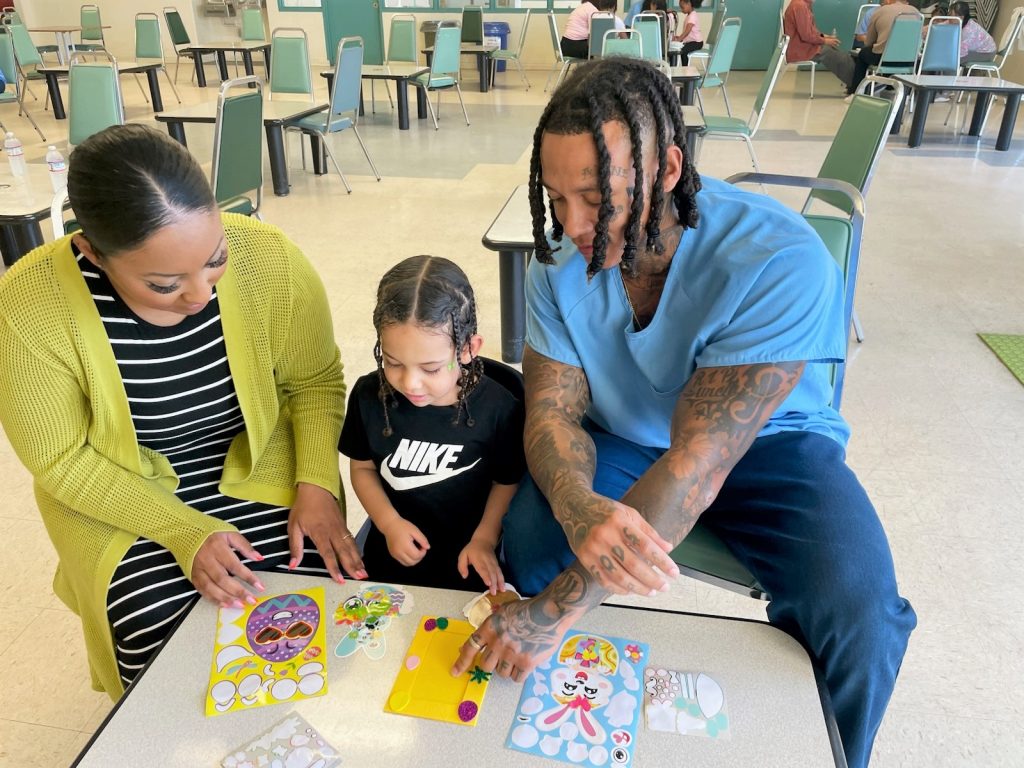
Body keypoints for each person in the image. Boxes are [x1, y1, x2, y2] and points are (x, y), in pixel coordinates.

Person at [450, 58, 916, 768]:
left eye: (592, 197)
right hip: (625, 431)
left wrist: (550, 616)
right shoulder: (556, 255)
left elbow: (697, 467)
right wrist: (576, 503)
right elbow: (548, 415)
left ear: (667, 169)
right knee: (534, 540)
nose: (571, 225)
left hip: (771, 447)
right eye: (555, 196)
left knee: (861, 617)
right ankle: (539, 739)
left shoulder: (779, 260)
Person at [0, 124, 363, 698]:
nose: (200, 294)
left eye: (214, 259)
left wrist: (316, 482)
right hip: (115, 493)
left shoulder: (268, 258)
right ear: (91, 250)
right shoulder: (29, 303)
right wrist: (183, 531)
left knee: (313, 596)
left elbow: (314, 383)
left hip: (258, 465)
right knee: (155, 623)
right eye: (165, 284)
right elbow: (62, 459)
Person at [339, 256, 526, 593]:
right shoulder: (369, 395)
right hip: (393, 547)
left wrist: (484, 539)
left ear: (469, 349)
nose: (410, 383)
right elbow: (363, 469)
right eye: (393, 363)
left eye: (431, 368)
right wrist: (389, 522)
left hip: (473, 551)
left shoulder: (499, 408)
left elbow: (506, 482)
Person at [784, 0, 855, 92]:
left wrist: (824, 36)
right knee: (838, 57)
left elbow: (810, 30)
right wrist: (825, 41)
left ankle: (854, 84)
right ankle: (856, 86)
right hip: (801, 50)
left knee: (838, 54)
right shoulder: (799, 6)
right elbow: (806, 35)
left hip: (804, 46)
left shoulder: (803, 4)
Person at [851, 0, 921, 93]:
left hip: (883, 59)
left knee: (863, 54)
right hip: (910, 61)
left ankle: (855, 92)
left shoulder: (879, 11)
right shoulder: (916, 12)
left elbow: (869, 41)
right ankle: (893, 89)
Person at [670, 0, 704, 65]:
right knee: (681, 49)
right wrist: (679, 38)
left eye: (682, 7)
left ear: (688, 4)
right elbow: (688, 34)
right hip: (692, 42)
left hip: (697, 43)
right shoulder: (689, 15)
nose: (681, 10)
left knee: (682, 50)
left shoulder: (692, 16)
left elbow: (687, 31)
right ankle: (683, 68)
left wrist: (679, 39)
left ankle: (685, 69)